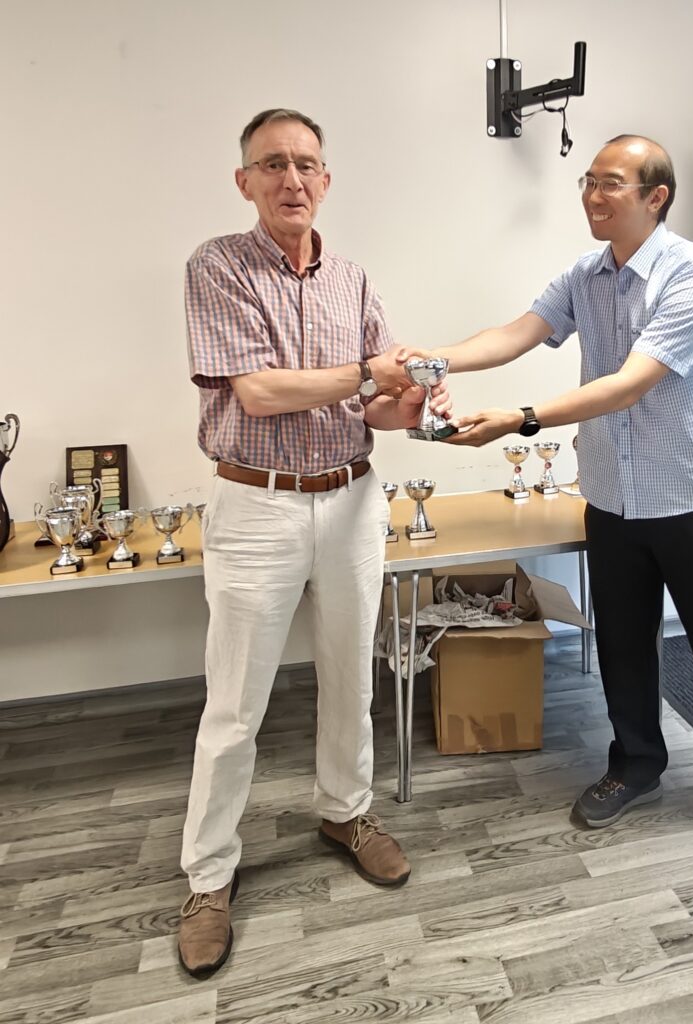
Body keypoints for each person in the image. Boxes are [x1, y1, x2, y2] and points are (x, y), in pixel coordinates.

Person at [419, 133, 693, 855]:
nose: (593, 195)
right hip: (614, 498)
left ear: (656, 197)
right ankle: (637, 765)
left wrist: (519, 419)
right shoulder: (584, 275)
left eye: (610, 182)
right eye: (588, 181)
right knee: (622, 644)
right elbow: (516, 333)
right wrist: (431, 360)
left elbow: (629, 384)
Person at [178, 107, 450, 978]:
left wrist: (409, 402)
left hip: (352, 498)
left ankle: (346, 811)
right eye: (273, 164)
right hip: (256, 502)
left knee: (350, 674)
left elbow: (372, 407)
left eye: (306, 164)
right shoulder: (217, 265)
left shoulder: (354, 280)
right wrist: (372, 373)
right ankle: (209, 876)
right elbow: (257, 392)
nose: (292, 179)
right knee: (235, 704)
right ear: (245, 181)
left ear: (326, 180)